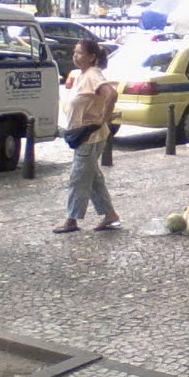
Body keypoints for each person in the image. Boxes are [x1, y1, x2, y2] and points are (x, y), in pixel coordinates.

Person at [53, 39, 121, 233]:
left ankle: (72, 219)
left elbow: (111, 95)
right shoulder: (81, 75)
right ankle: (110, 216)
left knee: (79, 177)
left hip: (90, 136)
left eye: (80, 53)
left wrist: (103, 118)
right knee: (92, 178)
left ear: (92, 57)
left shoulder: (93, 75)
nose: (76, 56)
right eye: (75, 52)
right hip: (84, 135)